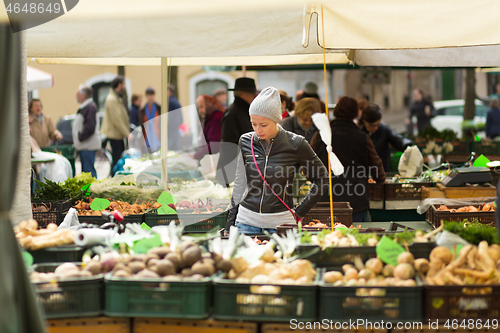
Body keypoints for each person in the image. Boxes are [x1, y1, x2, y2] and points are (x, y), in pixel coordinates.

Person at [227, 87, 329, 234]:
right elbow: (239, 183)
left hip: (281, 224)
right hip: (246, 222)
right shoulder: (245, 141)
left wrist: (300, 212)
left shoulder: (296, 143)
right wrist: (230, 223)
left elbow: (323, 178)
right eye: (253, 124)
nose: (258, 130)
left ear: (275, 120)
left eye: (263, 125)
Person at [311, 96, 386, 222]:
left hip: (325, 200)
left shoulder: (320, 136)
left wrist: (316, 179)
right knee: (355, 238)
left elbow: (307, 165)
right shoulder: (362, 138)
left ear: (336, 111)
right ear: (356, 114)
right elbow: (376, 167)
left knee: (326, 238)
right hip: (355, 202)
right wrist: (380, 180)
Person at [216, 77, 259, 187]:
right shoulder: (233, 112)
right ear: (241, 93)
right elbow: (230, 144)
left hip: (239, 169)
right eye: (251, 93)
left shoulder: (243, 110)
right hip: (231, 171)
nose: (254, 96)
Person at [359, 103, 415, 172]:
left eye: (378, 125)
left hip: (384, 173)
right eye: (372, 125)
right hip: (364, 174)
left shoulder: (383, 129)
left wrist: (409, 145)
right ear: (364, 121)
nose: (376, 128)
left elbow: (397, 140)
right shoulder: (358, 133)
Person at [101, 76, 130, 176]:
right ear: (119, 85)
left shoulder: (116, 98)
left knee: (117, 158)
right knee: (117, 159)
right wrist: (127, 133)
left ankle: (115, 178)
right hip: (115, 135)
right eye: (123, 84)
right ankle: (115, 179)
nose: (125, 86)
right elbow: (117, 119)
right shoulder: (112, 99)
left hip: (117, 135)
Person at [73, 85, 100, 178]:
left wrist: (80, 137)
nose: (76, 96)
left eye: (77, 94)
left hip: (88, 146)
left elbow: (90, 127)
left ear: (83, 95)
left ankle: (91, 192)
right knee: (87, 174)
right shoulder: (87, 107)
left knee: (89, 174)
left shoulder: (89, 107)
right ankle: (88, 192)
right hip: (86, 146)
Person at [193, 95, 224, 160]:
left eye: (201, 107)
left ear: (209, 105)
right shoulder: (210, 118)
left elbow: (214, 145)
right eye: (198, 108)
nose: (200, 111)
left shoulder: (215, 118)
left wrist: (196, 156)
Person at [138, 87, 161, 152]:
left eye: (152, 95)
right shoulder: (142, 110)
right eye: (149, 95)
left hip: (158, 136)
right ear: (146, 96)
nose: (150, 97)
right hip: (146, 136)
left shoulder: (159, 108)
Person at [167, 84, 184, 151]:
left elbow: (169, 117)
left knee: (170, 148)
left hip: (171, 128)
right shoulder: (175, 100)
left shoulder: (170, 102)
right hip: (175, 127)